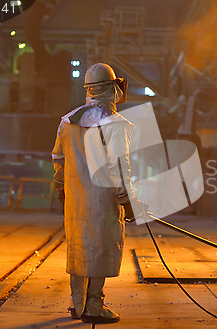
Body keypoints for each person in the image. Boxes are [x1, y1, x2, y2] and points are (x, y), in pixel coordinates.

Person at [52, 63, 148, 324]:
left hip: (76, 201)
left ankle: (77, 304)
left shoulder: (66, 121)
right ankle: (94, 306)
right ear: (112, 88)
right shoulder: (116, 125)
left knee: (79, 248)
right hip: (103, 202)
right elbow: (120, 168)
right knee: (99, 248)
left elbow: (58, 159)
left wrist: (62, 189)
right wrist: (129, 202)